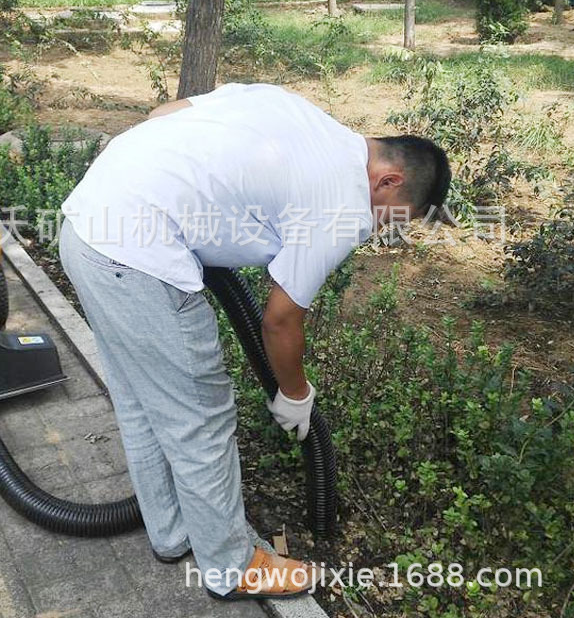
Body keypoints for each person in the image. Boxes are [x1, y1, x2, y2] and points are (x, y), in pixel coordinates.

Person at [59, 82, 451, 601]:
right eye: (390, 218)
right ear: (387, 180)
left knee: (143, 402)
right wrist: (295, 394)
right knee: (200, 415)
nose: (379, 232)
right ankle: (230, 566)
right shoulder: (344, 203)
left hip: (87, 225)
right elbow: (281, 320)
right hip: (137, 258)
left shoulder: (296, 110)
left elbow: (163, 112)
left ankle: (174, 534)